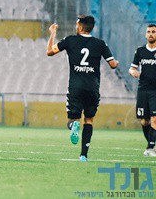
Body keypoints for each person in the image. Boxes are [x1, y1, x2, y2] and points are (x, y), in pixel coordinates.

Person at [47, 15, 119, 162]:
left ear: (80, 27)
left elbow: (49, 52)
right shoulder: (100, 44)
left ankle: (74, 125)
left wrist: (52, 34)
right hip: (93, 88)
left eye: (76, 24)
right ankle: (83, 155)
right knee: (89, 120)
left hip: (76, 87)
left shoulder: (70, 40)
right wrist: (116, 62)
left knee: (73, 119)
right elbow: (113, 65)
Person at [129, 24, 156, 157]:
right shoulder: (140, 51)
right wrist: (133, 72)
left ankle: (150, 147)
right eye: (148, 32)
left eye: (153, 32)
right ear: (145, 34)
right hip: (143, 90)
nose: (151, 34)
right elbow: (132, 68)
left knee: (154, 118)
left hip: (155, 91)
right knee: (144, 121)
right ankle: (151, 143)